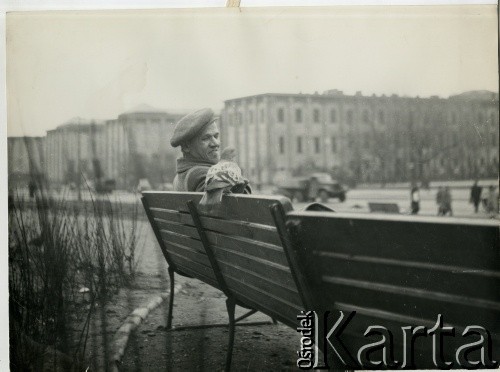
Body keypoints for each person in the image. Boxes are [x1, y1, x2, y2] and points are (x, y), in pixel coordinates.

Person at [170, 108, 221, 192]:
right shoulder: (204, 175)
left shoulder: (181, 176)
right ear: (186, 146)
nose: (215, 143)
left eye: (216, 136)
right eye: (206, 138)